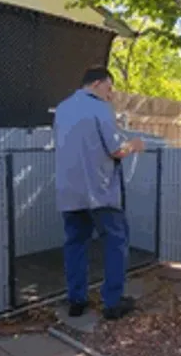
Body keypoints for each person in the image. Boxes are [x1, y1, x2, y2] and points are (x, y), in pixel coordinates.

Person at [53, 66, 145, 320]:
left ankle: (77, 300)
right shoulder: (100, 108)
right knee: (116, 242)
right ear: (96, 84)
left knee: (75, 244)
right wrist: (135, 145)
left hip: (69, 192)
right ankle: (112, 303)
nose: (111, 94)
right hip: (100, 190)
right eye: (109, 87)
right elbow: (117, 150)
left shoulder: (62, 109)